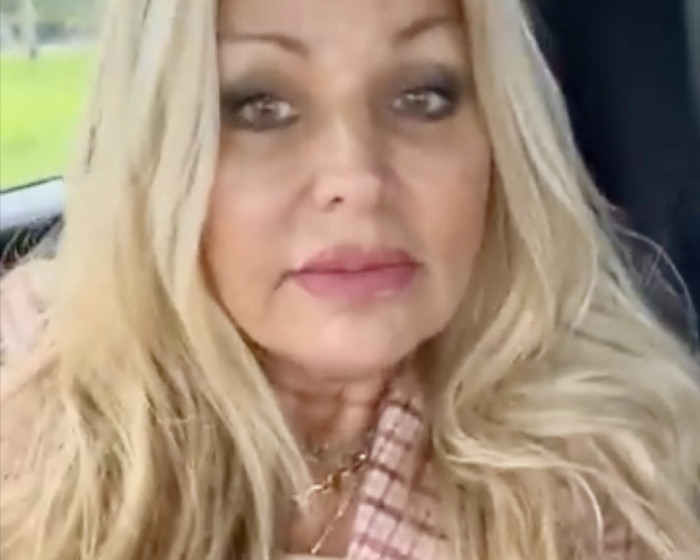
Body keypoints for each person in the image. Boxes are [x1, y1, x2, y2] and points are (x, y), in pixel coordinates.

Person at [1, 0, 699, 558]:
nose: (357, 179)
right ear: (162, 155)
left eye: (422, 96)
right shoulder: (37, 452)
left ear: (498, 142)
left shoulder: (612, 490)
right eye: (262, 106)